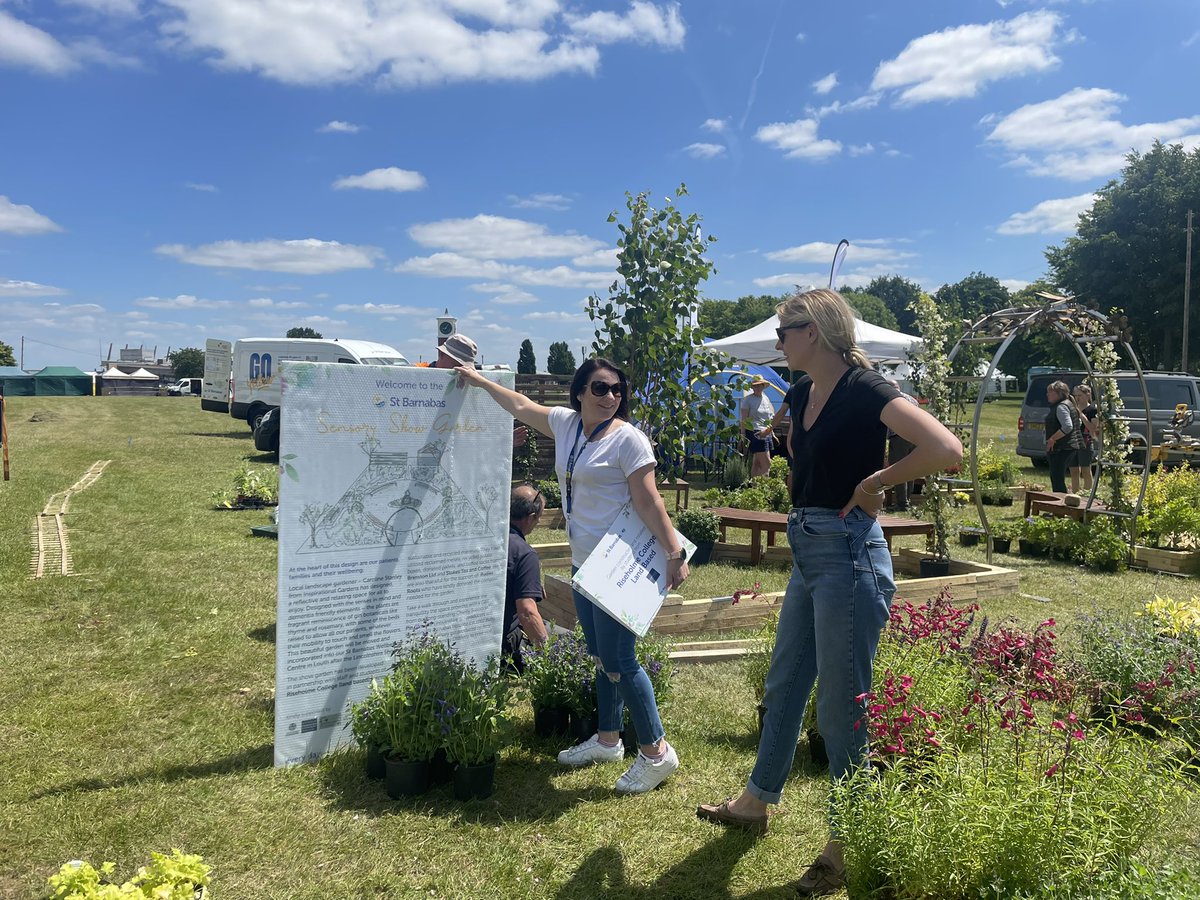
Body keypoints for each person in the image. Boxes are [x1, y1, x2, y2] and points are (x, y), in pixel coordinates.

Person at [695, 288, 961, 897]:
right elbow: (801, 453)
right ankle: (756, 801)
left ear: (813, 332)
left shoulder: (866, 390)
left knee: (842, 709)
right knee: (785, 681)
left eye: (785, 330)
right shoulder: (798, 391)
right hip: (810, 549)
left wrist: (877, 480)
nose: (779, 340)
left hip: (849, 553)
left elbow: (946, 449)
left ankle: (847, 843)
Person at [455, 357, 687, 794]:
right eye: (601, 388)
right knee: (599, 655)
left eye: (618, 390)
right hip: (586, 562)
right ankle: (607, 739)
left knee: (621, 659)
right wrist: (479, 380)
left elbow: (650, 500)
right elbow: (522, 405)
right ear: (580, 391)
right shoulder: (566, 425)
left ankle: (657, 752)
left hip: (619, 566)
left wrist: (674, 551)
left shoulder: (629, 441)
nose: (611, 397)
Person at [504, 484, 550, 672]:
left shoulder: (489, 538)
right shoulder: (524, 554)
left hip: (483, 637)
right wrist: (550, 657)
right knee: (569, 639)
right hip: (507, 645)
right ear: (531, 518)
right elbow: (527, 614)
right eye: (538, 518)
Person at [883, 377, 921, 511]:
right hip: (915, 437)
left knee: (898, 469)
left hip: (899, 437)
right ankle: (907, 500)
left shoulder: (889, 399)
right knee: (909, 469)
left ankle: (902, 504)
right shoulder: (912, 399)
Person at [1044, 380, 1083, 493]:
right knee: (1057, 478)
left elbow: (1067, 426)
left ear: (1058, 394)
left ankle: (1060, 507)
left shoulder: (1061, 406)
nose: (1047, 394)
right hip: (1068, 447)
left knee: (1057, 479)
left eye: (1050, 392)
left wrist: (1053, 438)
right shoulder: (1068, 404)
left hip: (1062, 448)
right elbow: (1078, 423)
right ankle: (1059, 507)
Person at [740, 375, 776, 478]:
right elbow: (744, 419)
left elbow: (770, 416)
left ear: (764, 386)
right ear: (752, 387)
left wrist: (771, 432)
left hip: (767, 432)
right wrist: (743, 435)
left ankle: (754, 488)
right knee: (767, 463)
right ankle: (763, 488)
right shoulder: (748, 400)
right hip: (755, 432)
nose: (758, 388)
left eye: (760, 385)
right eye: (755, 386)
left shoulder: (766, 398)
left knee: (757, 462)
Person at [1070, 384, 1099, 493]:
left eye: (1080, 395)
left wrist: (1081, 415)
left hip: (1085, 443)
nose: (1077, 398)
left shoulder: (1092, 410)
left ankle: (1087, 493)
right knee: (1073, 470)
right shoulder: (1071, 409)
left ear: (1088, 395)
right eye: (1075, 395)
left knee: (1085, 470)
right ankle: (1075, 493)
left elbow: (1093, 428)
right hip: (1072, 442)